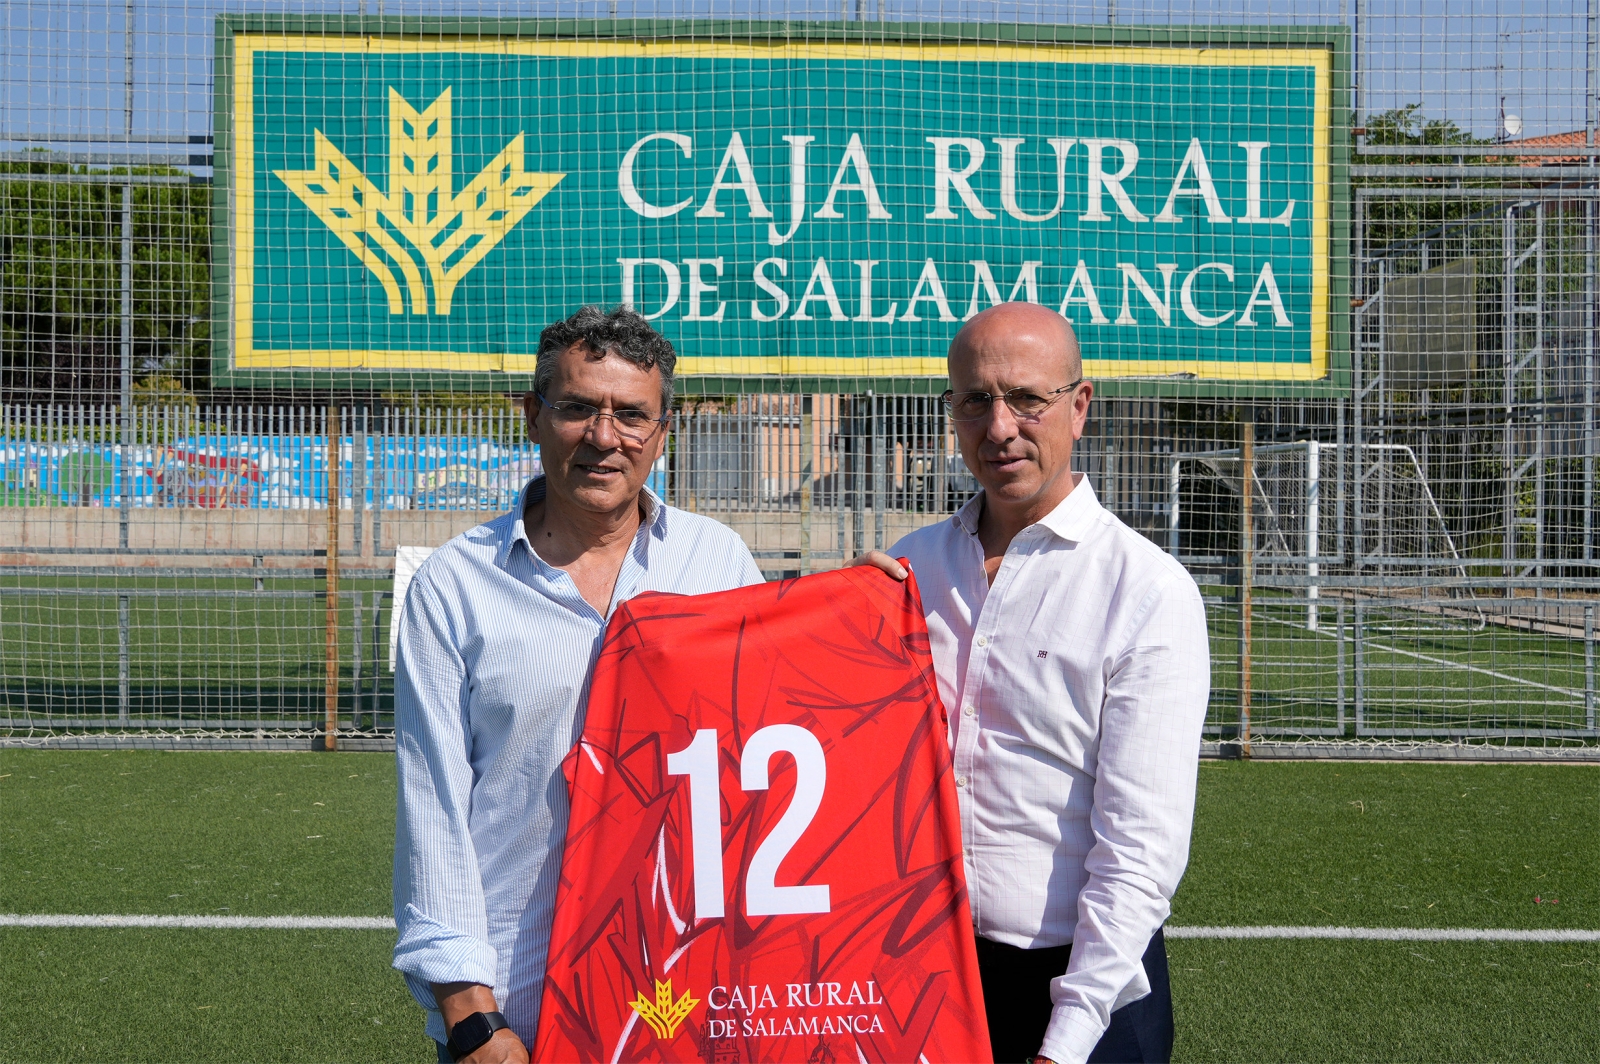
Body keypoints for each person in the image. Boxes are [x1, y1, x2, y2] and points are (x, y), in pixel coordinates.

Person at [391, 306, 763, 1063]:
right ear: (532, 415)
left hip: (689, 991)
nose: (604, 437)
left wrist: (872, 614)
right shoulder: (455, 586)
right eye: (577, 408)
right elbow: (432, 808)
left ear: (662, 432)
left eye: (631, 415)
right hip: (517, 1009)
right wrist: (472, 1019)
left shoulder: (719, 564)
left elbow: (774, 737)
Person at [855, 302, 1210, 1064]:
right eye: (976, 400)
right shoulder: (905, 568)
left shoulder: (1146, 589)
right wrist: (841, 621)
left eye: (1027, 399)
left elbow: (1140, 851)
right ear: (951, 413)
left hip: (1088, 989)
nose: (1001, 426)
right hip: (931, 974)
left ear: (1079, 407)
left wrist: (1068, 1040)